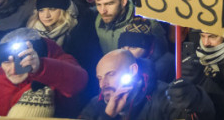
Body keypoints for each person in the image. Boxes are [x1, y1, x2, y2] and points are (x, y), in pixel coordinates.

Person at [80, 49, 216, 119]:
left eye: (111, 74)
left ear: (133, 70)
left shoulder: (164, 96)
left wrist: (196, 100)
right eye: (99, 78)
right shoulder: (96, 104)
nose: (103, 84)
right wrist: (107, 116)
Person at [0, 27, 88, 117]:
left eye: (20, 62)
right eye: (7, 62)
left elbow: (79, 81)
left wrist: (41, 67)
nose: (13, 70)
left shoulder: (58, 63)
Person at [91, 0, 166, 55]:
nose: (103, 11)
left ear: (123, 1)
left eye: (109, 4)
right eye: (99, 5)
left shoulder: (147, 22)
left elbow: (162, 55)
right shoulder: (99, 20)